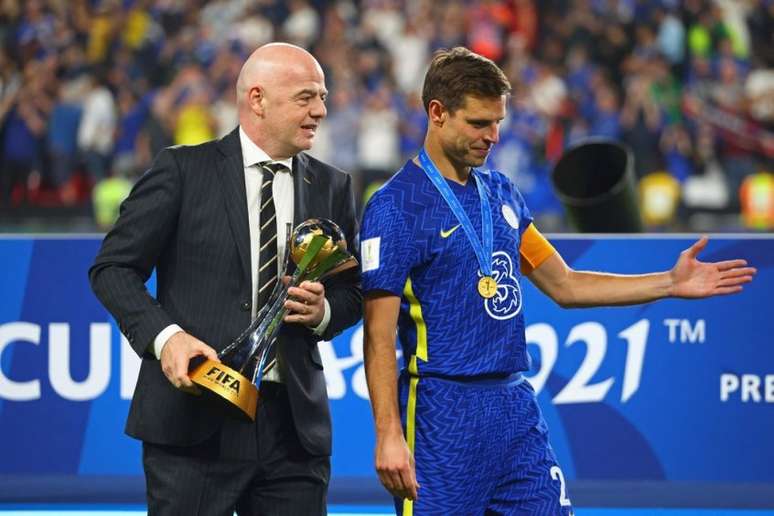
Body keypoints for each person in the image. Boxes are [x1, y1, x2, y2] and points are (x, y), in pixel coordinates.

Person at [359, 47, 756, 516]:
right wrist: (388, 435)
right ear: (438, 113)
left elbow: (564, 284)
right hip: (442, 414)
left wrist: (668, 282)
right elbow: (378, 335)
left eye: (498, 122)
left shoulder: (501, 192)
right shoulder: (394, 207)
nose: (494, 136)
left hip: (514, 409)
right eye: (479, 123)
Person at [89, 43, 361, 516]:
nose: (320, 109)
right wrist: (166, 339)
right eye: (305, 97)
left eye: (322, 96)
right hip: (193, 421)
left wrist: (326, 312)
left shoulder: (333, 186)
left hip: (291, 431)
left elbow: (352, 291)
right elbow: (112, 268)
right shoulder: (182, 170)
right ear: (257, 99)